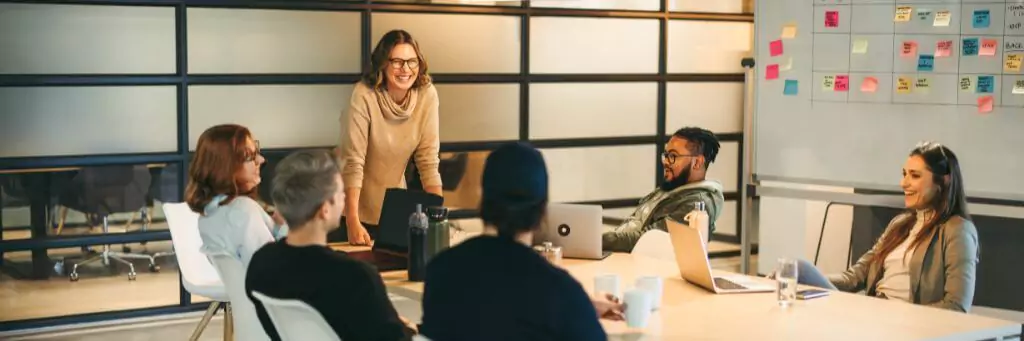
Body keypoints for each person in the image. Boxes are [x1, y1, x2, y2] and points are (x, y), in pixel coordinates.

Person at [419, 142, 624, 341]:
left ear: (483, 200)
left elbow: (491, 310)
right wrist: (580, 310)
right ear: (542, 209)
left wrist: (582, 307)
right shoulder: (560, 293)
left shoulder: (442, 271)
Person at [246, 149, 416, 341]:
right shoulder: (356, 277)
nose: (344, 198)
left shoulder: (261, 263)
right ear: (325, 210)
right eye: (340, 192)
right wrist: (410, 329)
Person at [794, 142, 979, 313]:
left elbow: (957, 306)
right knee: (796, 270)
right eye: (904, 174)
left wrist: (901, 316)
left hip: (903, 322)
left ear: (943, 181)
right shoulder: (899, 224)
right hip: (874, 314)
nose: (904, 183)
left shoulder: (957, 230)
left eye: (915, 175)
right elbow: (854, 278)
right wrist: (810, 282)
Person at [338, 29, 442, 245]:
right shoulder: (364, 95)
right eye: (397, 61)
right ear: (383, 64)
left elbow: (428, 161)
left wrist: (438, 218)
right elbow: (353, 163)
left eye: (412, 61)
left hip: (393, 209)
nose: (405, 69)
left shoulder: (427, 95)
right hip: (351, 210)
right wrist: (352, 222)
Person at [602, 126, 725, 252]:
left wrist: (601, 240)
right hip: (618, 254)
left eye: (673, 156)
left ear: (697, 162)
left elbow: (647, 240)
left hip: (637, 261)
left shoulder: (696, 205)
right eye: (666, 155)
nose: (666, 162)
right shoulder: (672, 189)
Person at [187, 124, 286, 267]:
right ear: (226, 167)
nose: (261, 160)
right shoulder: (243, 210)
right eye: (250, 156)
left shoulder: (209, 214)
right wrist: (286, 229)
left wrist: (277, 226)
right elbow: (273, 268)